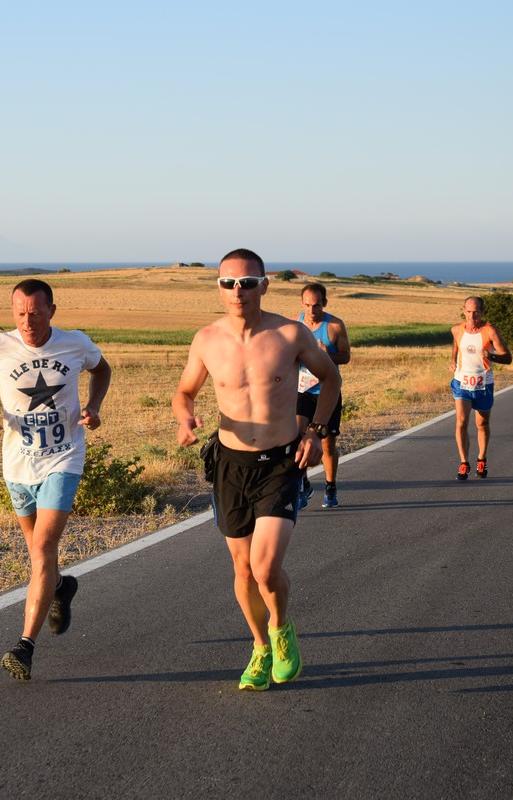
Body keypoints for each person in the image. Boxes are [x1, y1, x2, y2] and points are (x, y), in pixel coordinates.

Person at [173, 249, 340, 692]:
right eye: (228, 283)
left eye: (247, 282)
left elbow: (330, 378)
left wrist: (315, 431)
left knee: (265, 569)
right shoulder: (207, 339)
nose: (238, 291)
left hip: (280, 463)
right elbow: (184, 392)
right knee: (243, 570)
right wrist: (185, 418)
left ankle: (281, 629)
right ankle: (261, 647)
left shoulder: (290, 334)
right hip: (230, 465)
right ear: (218, 287)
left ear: (264, 285)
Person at [0, 278, 111, 680]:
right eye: (20, 314)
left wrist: (94, 406)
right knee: (38, 558)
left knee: (44, 547)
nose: (28, 322)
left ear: (52, 311)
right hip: (17, 465)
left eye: (36, 313)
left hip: (64, 458)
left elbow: (102, 369)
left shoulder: (74, 343)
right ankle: (60, 587)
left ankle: (24, 646)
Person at [294, 282, 351, 509]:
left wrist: (328, 356)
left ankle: (330, 486)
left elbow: (346, 357)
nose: (311, 310)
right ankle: (303, 485)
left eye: (316, 305)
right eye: (307, 305)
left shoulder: (335, 326)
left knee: (326, 444)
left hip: (327, 392)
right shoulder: (295, 325)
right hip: (302, 391)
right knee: (297, 438)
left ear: (324, 303)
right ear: (302, 303)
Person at [450, 295, 511, 480]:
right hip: (461, 382)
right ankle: (464, 463)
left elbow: (508, 358)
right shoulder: (456, 329)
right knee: (461, 421)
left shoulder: (490, 331)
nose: (472, 316)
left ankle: (481, 459)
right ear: (463, 311)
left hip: (483, 384)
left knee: (482, 424)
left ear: (482, 312)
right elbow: (456, 345)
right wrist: (453, 360)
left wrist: (490, 356)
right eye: (469, 312)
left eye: (476, 312)